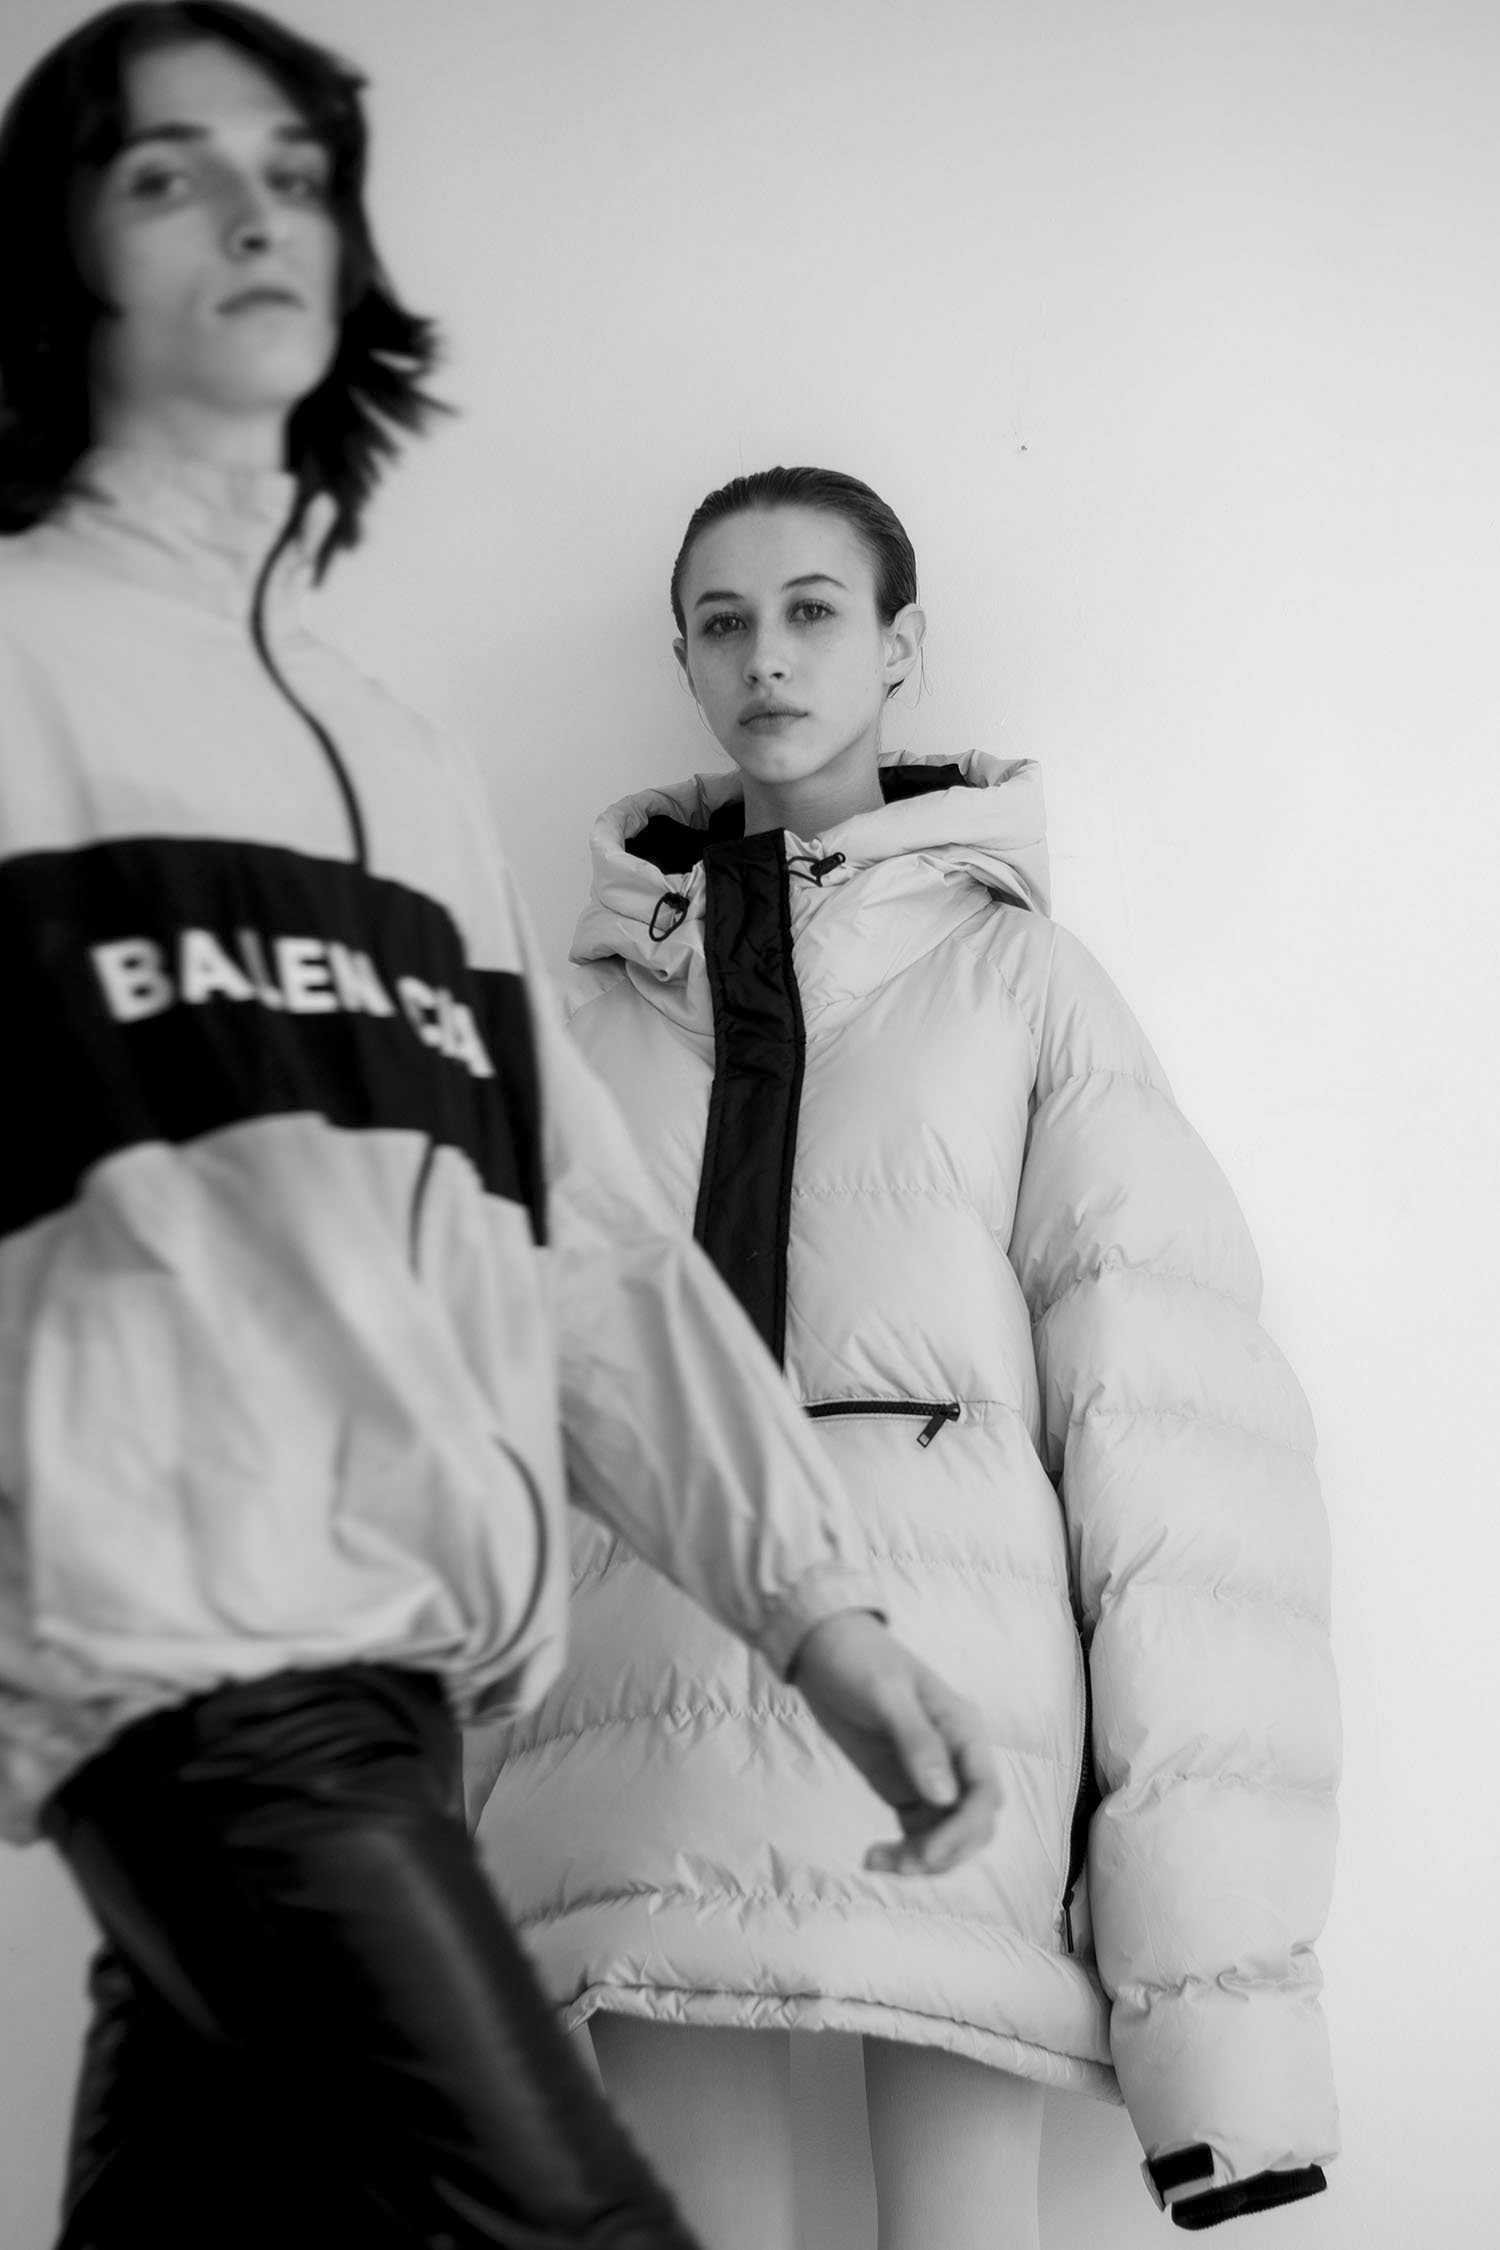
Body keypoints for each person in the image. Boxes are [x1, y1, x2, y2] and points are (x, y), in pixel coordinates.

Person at [0, 16, 1001, 2246]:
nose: (252, 213)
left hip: (409, 1684)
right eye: (165, 173)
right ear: (53, 255)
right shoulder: (16, 668)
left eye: (294, 173)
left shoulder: (402, 764)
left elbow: (586, 1251)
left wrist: (820, 1617)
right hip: (195, 1671)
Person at [474, 466, 1342, 2248]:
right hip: (633, 1716)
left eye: (812, 611)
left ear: (899, 646)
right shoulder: (579, 1020)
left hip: (956, 1707)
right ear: (683, 660)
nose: (766, 658)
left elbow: (1173, 1447)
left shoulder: (1022, 985)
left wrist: (1221, 2001)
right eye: (723, 622)